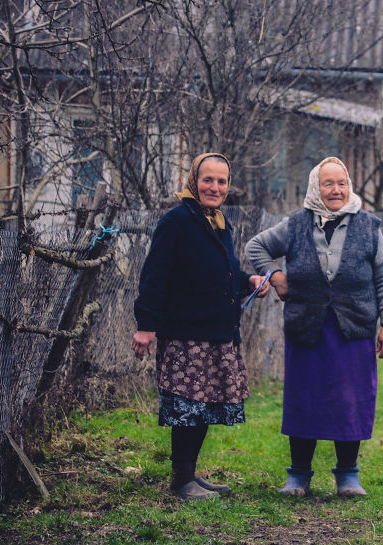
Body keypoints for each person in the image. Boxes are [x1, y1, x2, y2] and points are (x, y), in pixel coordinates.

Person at [245, 156, 383, 498]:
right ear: (316, 187)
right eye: (328, 183)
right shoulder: (296, 224)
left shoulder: (368, 226)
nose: (336, 190)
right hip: (307, 328)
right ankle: (298, 474)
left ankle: (348, 474)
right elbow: (255, 246)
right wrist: (276, 274)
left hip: (353, 328)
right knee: (306, 398)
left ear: (350, 186)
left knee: (351, 400)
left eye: (342, 183)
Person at [132, 152, 270, 500]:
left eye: (221, 181)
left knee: (205, 404)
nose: (215, 187)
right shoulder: (176, 221)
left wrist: (249, 281)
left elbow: (222, 273)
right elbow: (154, 277)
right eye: (208, 179)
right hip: (186, 331)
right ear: (194, 180)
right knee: (188, 407)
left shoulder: (218, 222)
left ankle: (190, 476)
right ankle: (181, 482)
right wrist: (146, 325)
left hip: (216, 330)